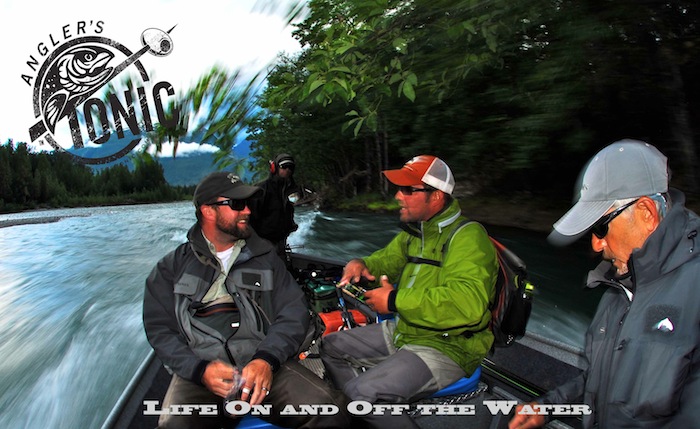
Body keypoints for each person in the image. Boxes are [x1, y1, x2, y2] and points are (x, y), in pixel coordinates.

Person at [509, 140, 700, 429]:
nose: (596, 245)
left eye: (600, 227)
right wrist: (548, 408)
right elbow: (601, 379)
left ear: (646, 213)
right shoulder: (618, 290)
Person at [143, 172, 350, 429]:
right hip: (199, 373)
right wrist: (199, 370)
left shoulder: (265, 258)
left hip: (261, 364)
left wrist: (266, 359)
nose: (248, 211)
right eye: (238, 204)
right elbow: (160, 330)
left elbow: (293, 311)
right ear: (208, 211)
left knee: (332, 410)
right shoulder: (170, 268)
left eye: (248, 203)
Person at [320, 155, 499, 428]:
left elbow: (467, 304)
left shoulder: (469, 238)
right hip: (408, 329)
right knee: (331, 347)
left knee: (363, 394)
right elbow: (385, 261)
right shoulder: (416, 233)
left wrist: (394, 300)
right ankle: (366, 418)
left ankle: (365, 405)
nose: (398, 196)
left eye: (407, 190)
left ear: (436, 196)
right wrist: (361, 265)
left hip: (448, 345)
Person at [248, 153, 300, 255]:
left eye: (290, 167)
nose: (287, 170)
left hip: (281, 240)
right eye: (284, 166)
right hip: (263, 241)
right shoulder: (262, 189)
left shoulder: (291, 189)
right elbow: (251, 217)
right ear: (274, 168)